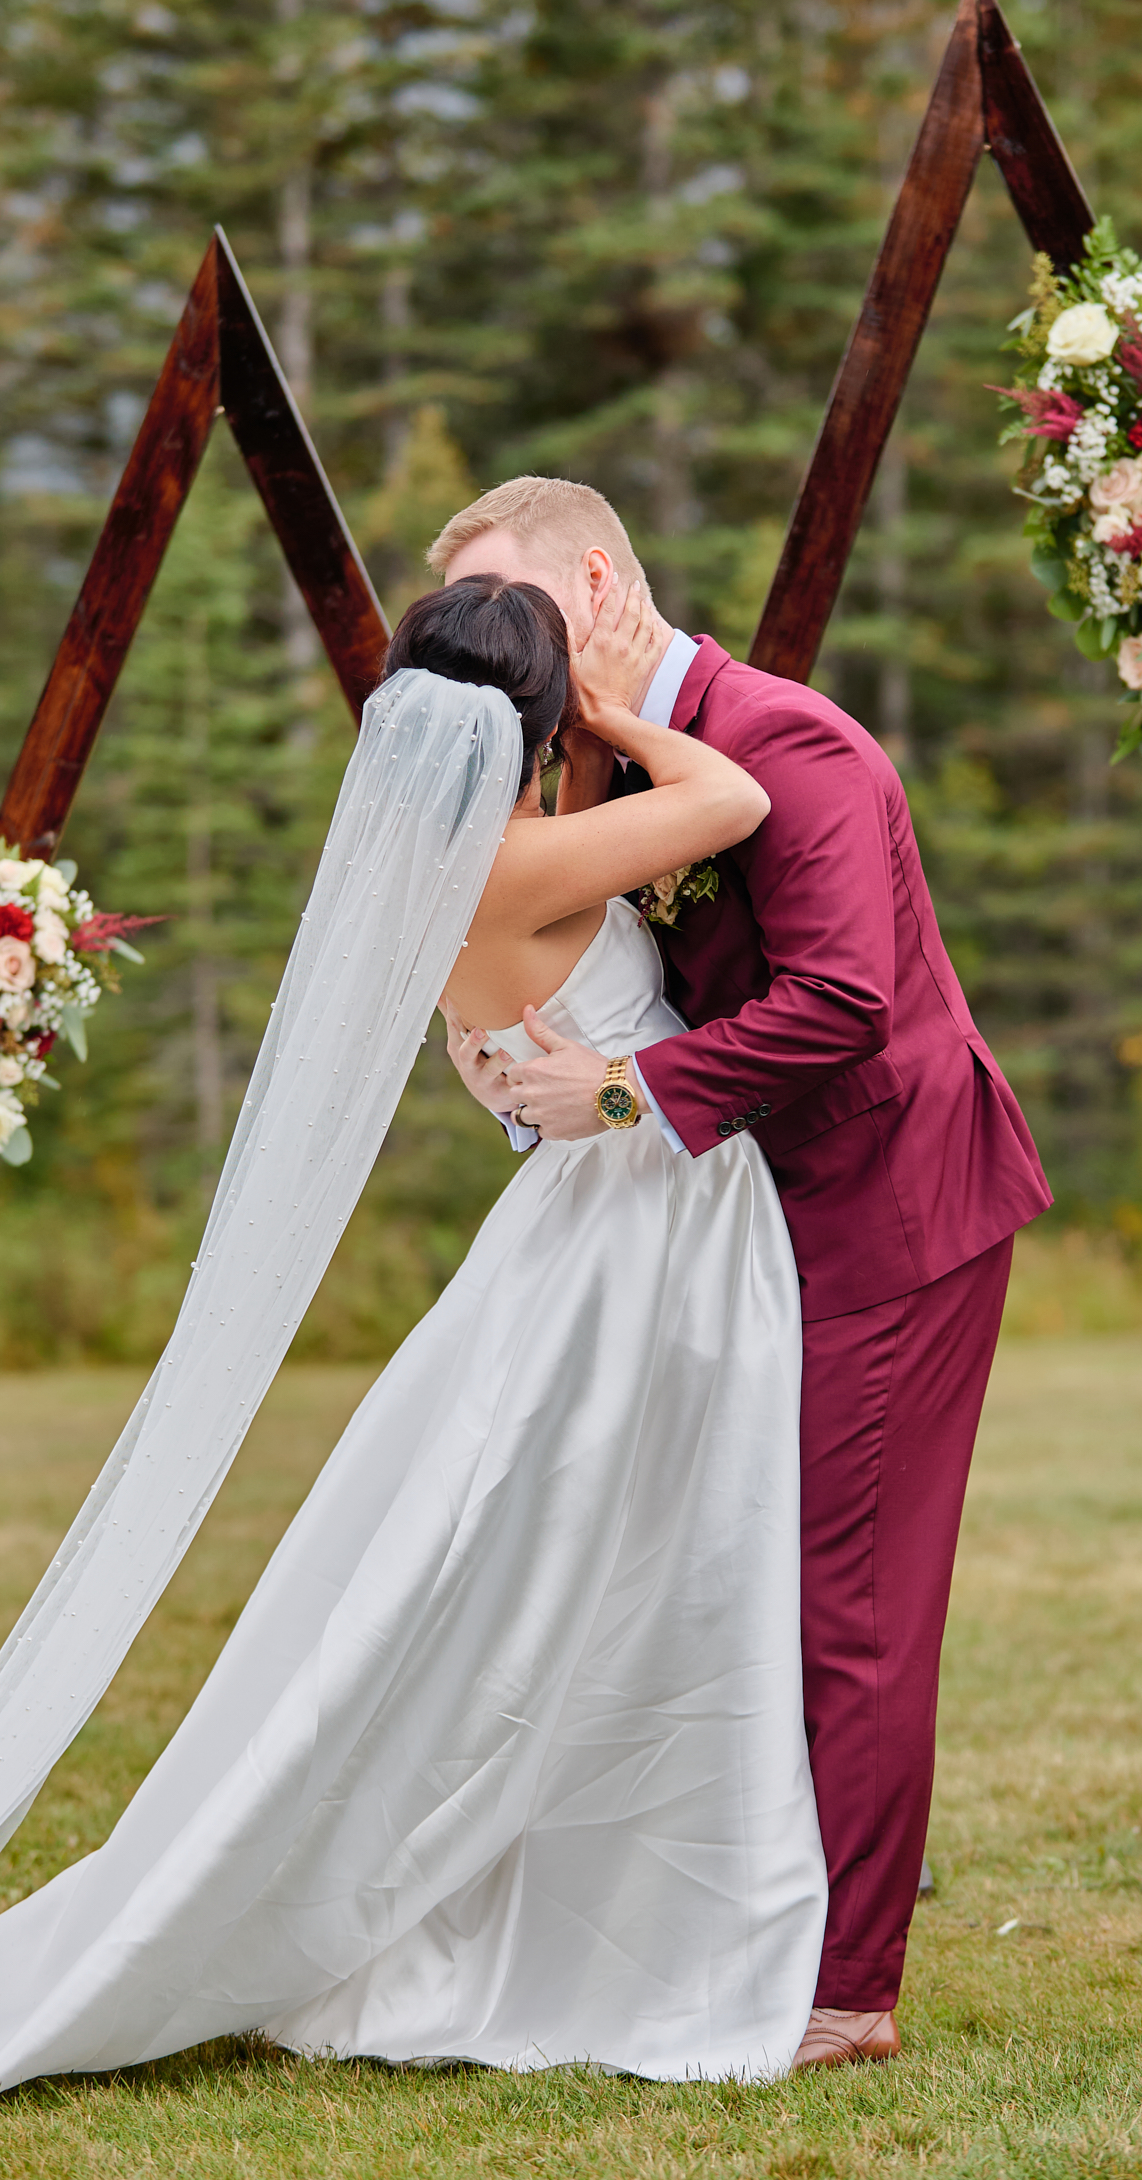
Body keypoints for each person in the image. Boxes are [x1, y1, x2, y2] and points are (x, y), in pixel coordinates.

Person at [0, 575, 827, 2106]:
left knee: (580, 1570)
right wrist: (611, 716)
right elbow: (735, 793)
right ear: (530, 720)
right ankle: (639, 1922)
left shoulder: (432, 869)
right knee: (660, 1567)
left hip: (594, 1222)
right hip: (647, 1231)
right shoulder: (523, 860)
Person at [437, 477, 1051, 2069]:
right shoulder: (597, 763)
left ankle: (850, 1991)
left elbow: (846, 996)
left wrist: (627, 1092)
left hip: (892, 1211)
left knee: (846, 1598)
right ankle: (781, 1894)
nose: (506, 652)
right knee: (742, 1571)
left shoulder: (791, 742)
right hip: (753, 1225)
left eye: (521, 610)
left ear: (598, 577)